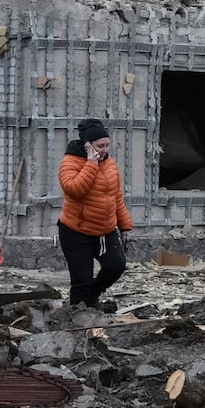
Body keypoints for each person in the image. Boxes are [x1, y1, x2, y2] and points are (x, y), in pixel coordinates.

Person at [58, 118, 134, 309]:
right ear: (88, 145)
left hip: (105, 231)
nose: (104, 150)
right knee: (81, 281)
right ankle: (78, 316)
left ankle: (92, 298)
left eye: (107, 145)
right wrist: (91, 164)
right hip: (76, 231)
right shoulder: (70, 162)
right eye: (100, 146)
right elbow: (74, 190)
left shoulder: (110, 164)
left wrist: (125, 226)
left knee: (116, 266)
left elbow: (116, 197)